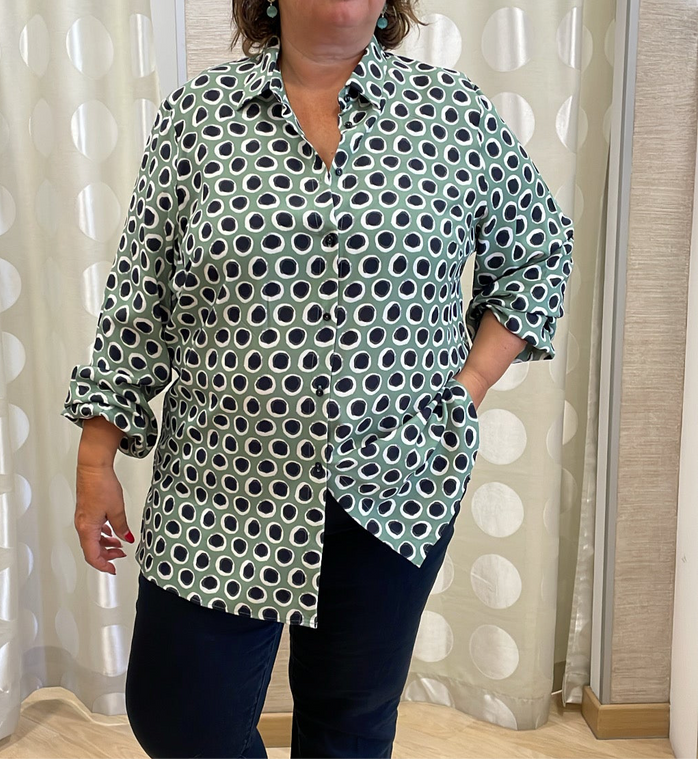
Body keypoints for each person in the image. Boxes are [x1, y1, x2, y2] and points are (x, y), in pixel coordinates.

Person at [60, 0, 574, 756]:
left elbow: (538, 250)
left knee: (350, 727)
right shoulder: (198, 117)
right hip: (218, 486)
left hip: (393, 481)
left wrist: (468, 385)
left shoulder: (451, 114)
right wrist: (95, 457)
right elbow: (142, 296)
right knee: (180, 718)